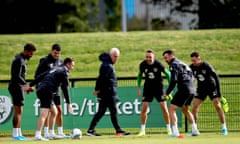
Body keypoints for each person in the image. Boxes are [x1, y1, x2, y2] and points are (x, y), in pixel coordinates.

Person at [86, 48, 130, 136]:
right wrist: (97, 89)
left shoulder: (108, 64)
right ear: (110, 55)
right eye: (115, 56)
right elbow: (101, 79)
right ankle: (117, 130)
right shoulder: (107, 65)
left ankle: (91, 130)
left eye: (117, 57)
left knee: (104, 111)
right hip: (107, 93)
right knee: (110, 111)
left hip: (108, 92)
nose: (116, 58)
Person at [29, 57, 74, 141]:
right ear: (67, 64)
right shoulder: (64, 72)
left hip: (42, 89)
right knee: (44, 114)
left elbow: (41, 76)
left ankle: (51, 133)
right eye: (72, 65)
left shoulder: (55, 68)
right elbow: (65, 89)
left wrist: (30, 85)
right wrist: (69, 103)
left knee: (54, 111)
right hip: (47, 91)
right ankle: (38, 135)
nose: (72, 67)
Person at [162, 50, 200, 137]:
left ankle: (175, 132)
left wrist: (167, 93)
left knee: (171, 109)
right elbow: (192, 76)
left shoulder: (173, 64)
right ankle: (195, 130)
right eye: (164, 58)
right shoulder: (182, 63)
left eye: (166, 58)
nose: (165, 60)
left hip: (184, 88)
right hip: (192, 89)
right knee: (185, 109)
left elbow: (173, 80)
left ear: (171, 56)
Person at [189, 52, 228, 135]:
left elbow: (216, 78)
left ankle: (224, 128)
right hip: (201, 89)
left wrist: (219, 92)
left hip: (211, 88)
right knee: (194, 107)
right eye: (192, 60)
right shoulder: (191, 67)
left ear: (199, 58)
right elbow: (190, 79)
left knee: (217, 106)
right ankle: (194, 130)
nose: (193, 62)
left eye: (195, 60)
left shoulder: (206, 65)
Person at [34, 44, 67, 138]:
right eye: (55, 53)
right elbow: (37, 75)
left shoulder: (61, 61)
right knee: (47, 111)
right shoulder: (44, 61)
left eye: (58, 53)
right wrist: (39, 86)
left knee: (59, 110)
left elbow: (63, 77)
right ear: (51, 51)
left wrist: (63, 91)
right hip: (46, 89)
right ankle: (46, 132)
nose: (57, 55)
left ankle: (59, 132)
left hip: (56, 89)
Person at [136, 50, 172, 136]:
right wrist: (138, 87)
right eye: (147, 57)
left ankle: (169, 129)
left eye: (150, 57)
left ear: (153, 57)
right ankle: (142, 130)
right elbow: (140, 75)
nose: (148, 59)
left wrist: (170, 89)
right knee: (144, 108)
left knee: (164, 107)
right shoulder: (142, 64)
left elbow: (168, 74)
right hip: (148, 88)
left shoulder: (158, 64)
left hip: (159, 88)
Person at [8, 43, 36, 140]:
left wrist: (24, 87)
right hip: (16, 87)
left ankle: (19, 133)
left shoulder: (21, 59)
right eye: (31, 53)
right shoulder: (19, 60)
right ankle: (15, 134)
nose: (32, 55)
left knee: (20, 111)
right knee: (18, 111)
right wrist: (26, 86)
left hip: (18, 87)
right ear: (26, 51)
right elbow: (17, 76)